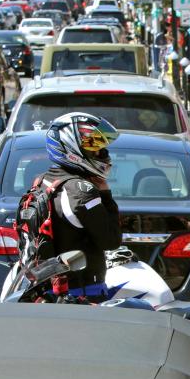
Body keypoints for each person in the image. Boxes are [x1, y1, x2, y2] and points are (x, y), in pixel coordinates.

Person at [37, 112, 123, 300]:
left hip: (46, 290)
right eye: (95, 149)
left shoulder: (42, 183)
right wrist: (106, 194)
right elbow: (111, 240)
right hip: (82, 294)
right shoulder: (81, 190)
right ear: (71, 148)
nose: (103, 154)